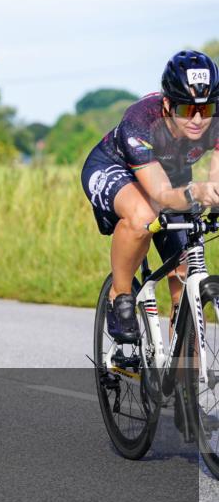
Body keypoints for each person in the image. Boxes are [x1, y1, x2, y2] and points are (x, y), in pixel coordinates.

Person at [81, 50, 219, 343]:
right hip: (117, 168)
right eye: (186, 110)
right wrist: (197, 192)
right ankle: (120, 297)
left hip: (172, 175)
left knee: (185, 275)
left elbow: (216, 181)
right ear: (168, 104)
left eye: (205, 110)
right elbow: (161, 193)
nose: (197, 120)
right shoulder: (141, 119)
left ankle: (182, 380)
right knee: (144, 215)